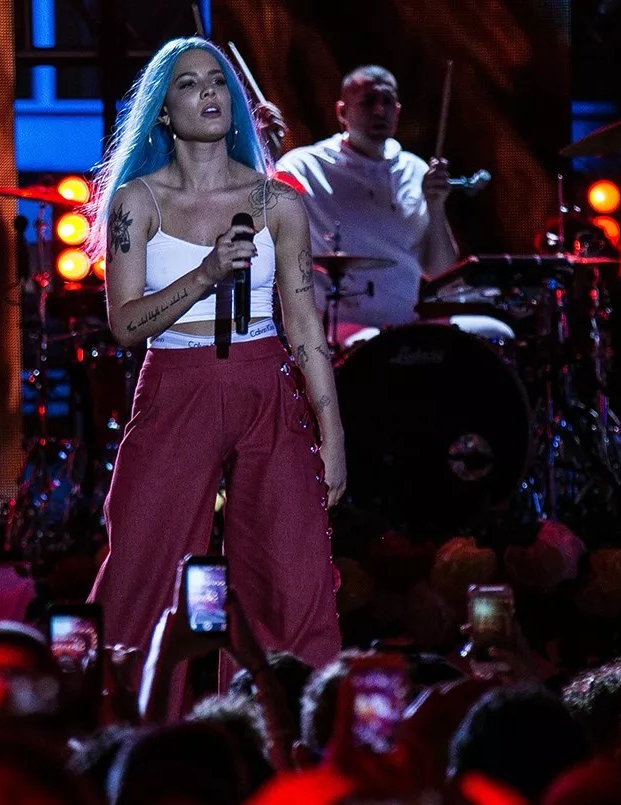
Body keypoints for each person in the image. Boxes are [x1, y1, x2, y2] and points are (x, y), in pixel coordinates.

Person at [83, 38, 344, 692]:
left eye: (218, 81)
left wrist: (333, 432)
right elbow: (125, 325)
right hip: (176, 384)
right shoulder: (136, 202)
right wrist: (204, 275)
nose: (208, 92)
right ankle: (131, 727)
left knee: (291, 575)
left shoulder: (278, 203)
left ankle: (281, 729)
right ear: (163, 111)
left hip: (265, 383)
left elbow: (304, 324)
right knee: (143, 572)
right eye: (189, 83)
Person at [276, 65, 503, 346]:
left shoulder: (415, 171)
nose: (379, 110)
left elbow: (439, 270)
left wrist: (436, 206)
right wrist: (268, 147)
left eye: (387, 102)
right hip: (341, 324)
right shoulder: (304, 166)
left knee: (495, 333)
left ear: (397, 110)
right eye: (368, 101)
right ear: (342, 112)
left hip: (407, 322)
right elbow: (264, 200)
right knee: (376, 346)